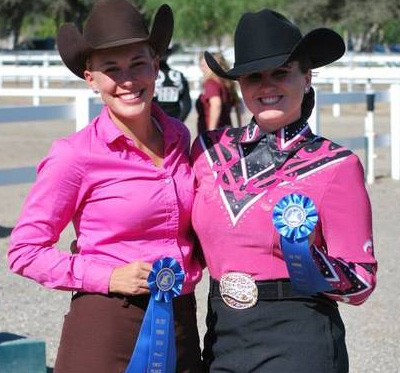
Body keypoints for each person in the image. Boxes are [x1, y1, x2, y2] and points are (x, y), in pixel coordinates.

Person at [7, 1, 203, 372]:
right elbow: (24, 251)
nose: (127, 80)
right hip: (108, 320)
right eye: (111, 69)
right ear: (91, 78)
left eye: (138, 64)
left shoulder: (179, 137)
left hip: (180, 319)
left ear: (156, 66)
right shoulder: (74, 155)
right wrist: (109, 276)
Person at [191, 9, 377, 373]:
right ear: (240, 84)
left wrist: (306, 259)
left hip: (300, 340)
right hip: (222, 337)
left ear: (306, 78)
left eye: (281, 73)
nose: (267, 86)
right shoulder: (207, 152)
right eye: (253, 76)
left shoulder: (337, 165)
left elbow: (362, 282)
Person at [195, 52, 242, 135]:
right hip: (227, 130)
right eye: (201, 65)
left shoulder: (211, 83)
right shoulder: (227, 83)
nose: (202, 69)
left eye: (204, 66)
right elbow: (238, 106)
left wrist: (211, 133)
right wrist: (240, 127)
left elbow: (216, 105)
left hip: (215, 134)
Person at [153, 44, 192, 122]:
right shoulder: (179, 76)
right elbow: (187, 105)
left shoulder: (149, 76)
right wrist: (179, 122)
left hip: (154, 122)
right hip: (175, 121)